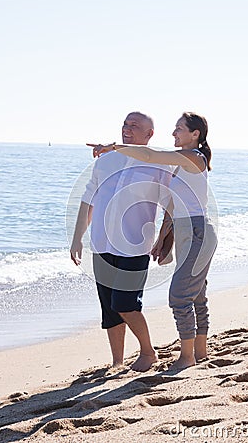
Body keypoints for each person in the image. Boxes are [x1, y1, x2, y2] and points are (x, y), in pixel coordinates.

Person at [90, 112, 218, 369]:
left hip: (196, 231)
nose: (173, 133)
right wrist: (163, 238)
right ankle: (200, 352)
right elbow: (174, 205)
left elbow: (149, 155)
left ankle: (187, 357)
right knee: (197, 294)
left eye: (179, 129)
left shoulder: (194, 158)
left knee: (180, 296)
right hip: (185, 229)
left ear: (195, 134)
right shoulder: (181, 163)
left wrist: (113, 147)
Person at [70, 112, 172, 372]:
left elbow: (171, 205)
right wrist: (77, 238)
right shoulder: (106, 161)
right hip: (101, 244)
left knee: (125, 304)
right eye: (125, 124)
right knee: (109, 309)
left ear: (150, 134)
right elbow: (88, 200)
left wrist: (164, 238)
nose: (127, 128)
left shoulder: (159, 164)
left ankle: (149, 353)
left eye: (134, 125)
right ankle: (117, 361)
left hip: (135, 246)